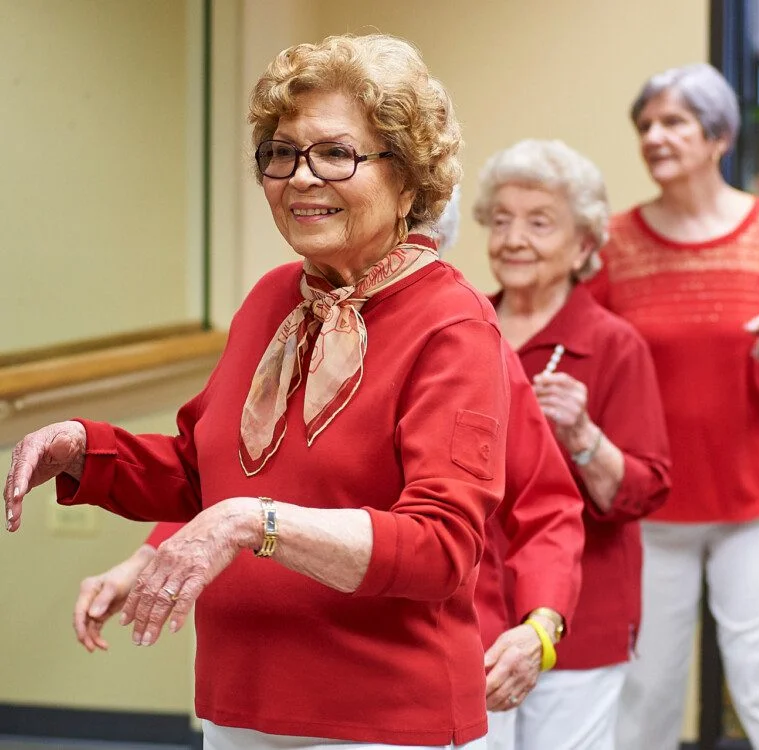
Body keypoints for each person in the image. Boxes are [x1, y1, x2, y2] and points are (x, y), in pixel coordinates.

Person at [6, 34, 511, 750]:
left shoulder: (452, 323)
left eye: (336, 153)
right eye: (281, 153)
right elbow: (197, 472)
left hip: (385, 720)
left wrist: (255, 523)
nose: (300, 178)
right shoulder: (273, 300)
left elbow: (440, 547)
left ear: (409, 179)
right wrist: (84, 450)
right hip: (241, 705)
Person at [73, 190, 589, 749]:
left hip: (419, 664)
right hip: (260, 681)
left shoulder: (462, 339)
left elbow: (547, 507)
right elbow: (238, 473)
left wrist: (542, 627)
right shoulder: (283, 324)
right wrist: (147, 558)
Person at [583, 63, 759, 750]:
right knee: (644, 689)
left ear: (718, 135)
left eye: (673, 122)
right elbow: (584, 350)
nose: (654, 136)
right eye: (645, 125)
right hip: (650, 504)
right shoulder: (613, 242)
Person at [472, 139, 672, 750]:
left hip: (579, 618)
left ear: (584, 245)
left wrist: (584, 436)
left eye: (539, 222)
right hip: (470, 607)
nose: (513, 238)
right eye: (501, 220)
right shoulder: (462, 327)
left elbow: (645, 489)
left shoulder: (614, 345)